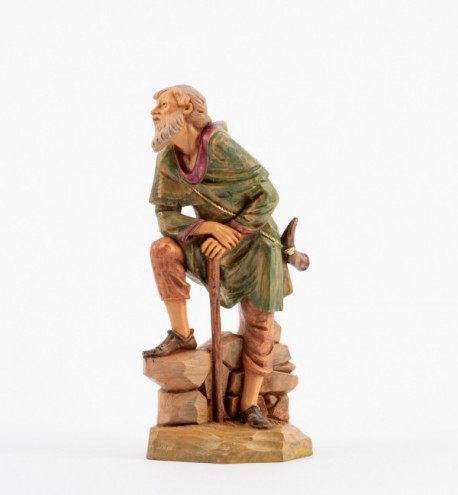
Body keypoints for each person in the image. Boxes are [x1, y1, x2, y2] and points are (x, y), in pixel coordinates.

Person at [143, 85, 308, 429]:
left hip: (254, 243)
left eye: (163, 105)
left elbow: (268, 195)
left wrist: (232, 231)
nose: (154, 112)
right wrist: (207, 228)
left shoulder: (219, 145)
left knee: (258, 321)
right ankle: (181, 333)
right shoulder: (169, 158)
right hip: (211, 243)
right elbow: (166, 216)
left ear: (186, 111)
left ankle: (250, 404)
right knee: (162, 250)